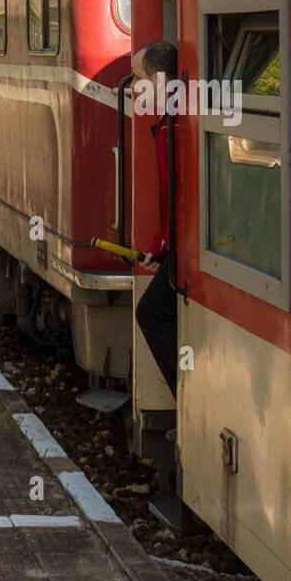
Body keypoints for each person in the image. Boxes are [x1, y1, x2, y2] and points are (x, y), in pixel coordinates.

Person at [132, 41, 178, 400]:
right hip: (180, 243)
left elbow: (173, 193)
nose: (134, 88)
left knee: (150, 312)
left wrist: (163, 245)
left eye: (138, 78)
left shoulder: (169, 127)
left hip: (184, 245)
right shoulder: (171, 121)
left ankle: (186, 396)